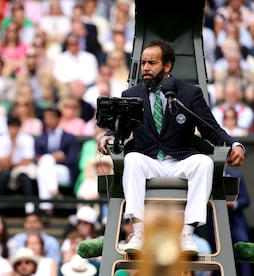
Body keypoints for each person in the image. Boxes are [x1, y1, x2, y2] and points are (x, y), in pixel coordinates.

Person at [97, 40, 245, 255]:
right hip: (148, 160)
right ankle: (138, 233)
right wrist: (108, 136)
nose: (145, 68)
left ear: (167, 66)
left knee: (204, 162)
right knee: (131, 159)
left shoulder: (189, 93)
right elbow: (118, 130)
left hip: (180, 160)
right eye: (144, 62)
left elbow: (211, 129)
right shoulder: (131, 94)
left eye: (152, 63)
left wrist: (235, 144)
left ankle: (187, 234)